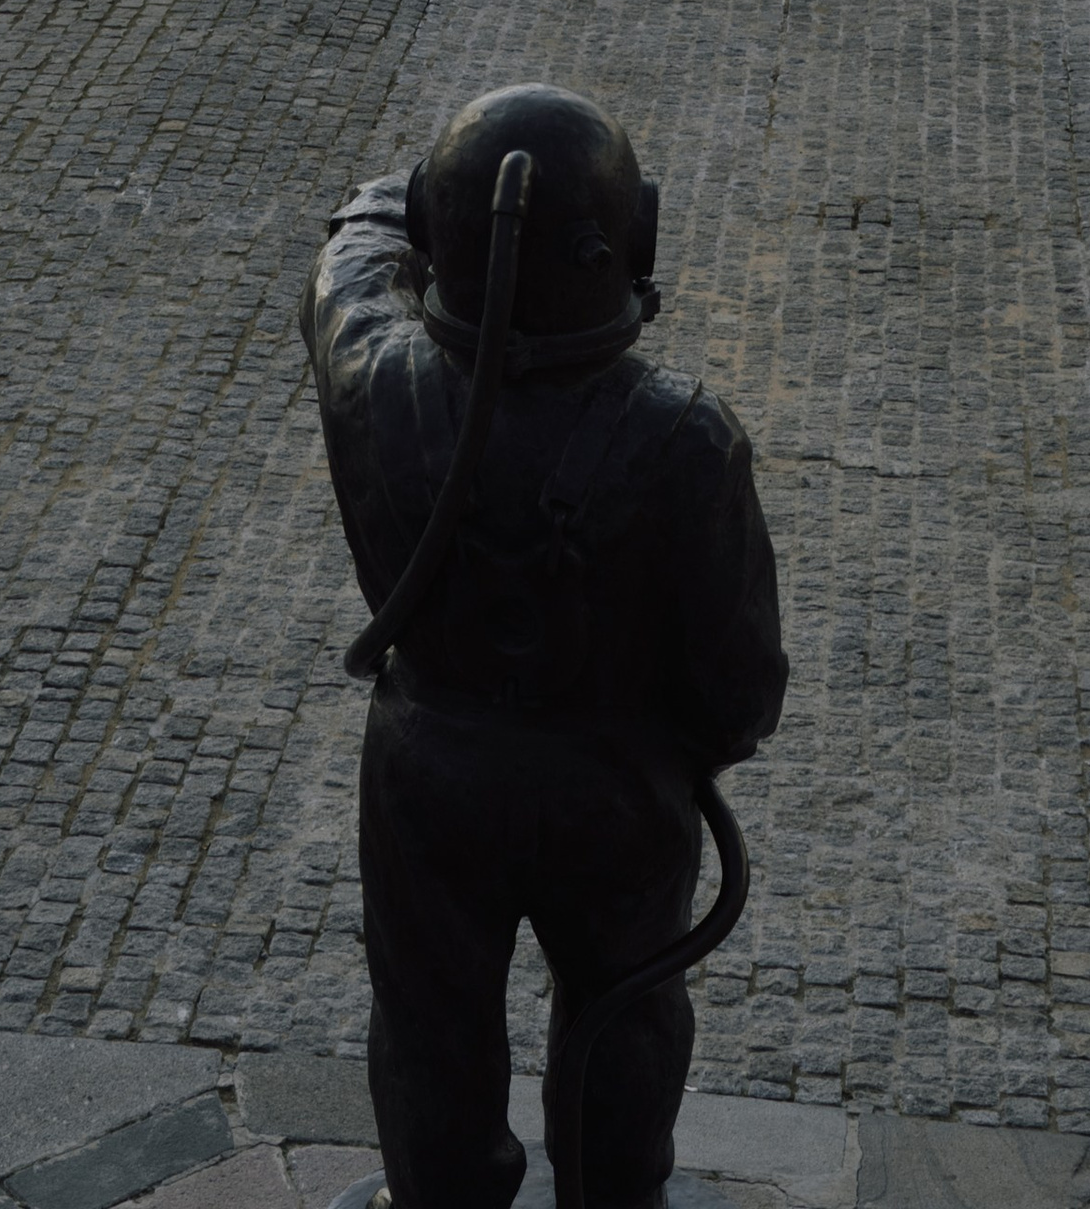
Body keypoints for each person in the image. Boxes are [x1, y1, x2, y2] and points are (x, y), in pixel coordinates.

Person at [303, 85, 788, 1209]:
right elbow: (741, 685)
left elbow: (347, 279)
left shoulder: (376, 383)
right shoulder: (686, 440)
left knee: (430, 1014)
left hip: (429, 770)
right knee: (625, 1005)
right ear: (628, 242)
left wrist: (396, 208)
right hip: (614, 783)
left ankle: (443, 1196)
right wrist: (686, 753)